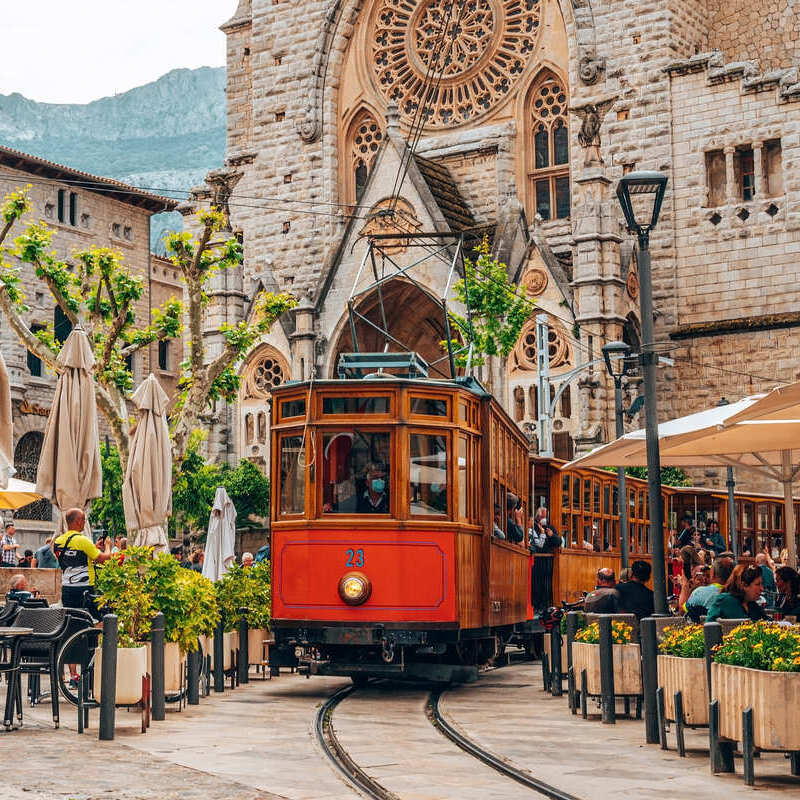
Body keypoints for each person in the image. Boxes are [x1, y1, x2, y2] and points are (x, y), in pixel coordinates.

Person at [53, 507, 115, 618]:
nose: (84, 522)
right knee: (95, 619)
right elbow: (105, 559)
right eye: (84, 520)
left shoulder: (58, 541)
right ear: (78, 521)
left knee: (72, 619)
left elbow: (71, 559)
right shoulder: (83, 540)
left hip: (67, 588)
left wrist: (93, 548)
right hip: (84, 589)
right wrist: (107, 546)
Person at [684, 556, 733, 620]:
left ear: (713, 574)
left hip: (701, 628)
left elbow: (682, 611)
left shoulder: (698, 592)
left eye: (708, 575)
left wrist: (684, 585)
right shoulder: (738, 594)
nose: (704, 578)